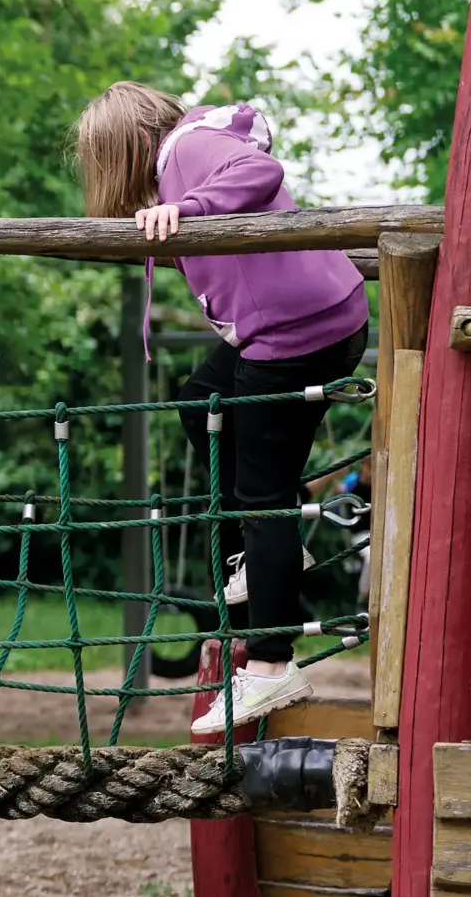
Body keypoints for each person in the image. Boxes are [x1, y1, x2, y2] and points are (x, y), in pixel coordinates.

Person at [75, 83, 370, 737]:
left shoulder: (187, 151)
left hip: (298, 336)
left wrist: (190, 206)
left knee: (262, 496)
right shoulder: (187, 151)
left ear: (122, 150)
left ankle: (270, 666)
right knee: (200, 403)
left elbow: (259, 173)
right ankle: (268, 553)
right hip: (305, 323)